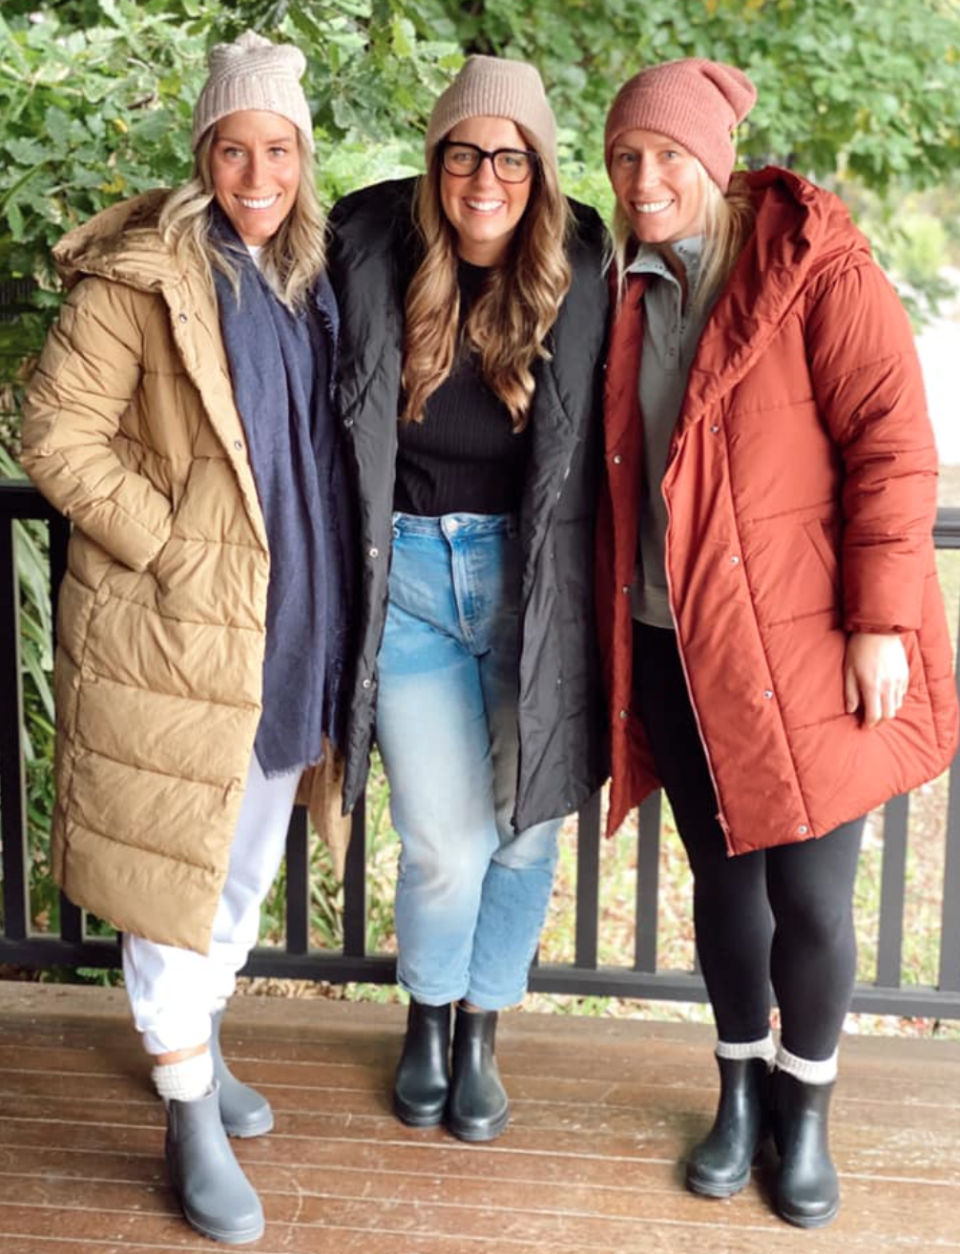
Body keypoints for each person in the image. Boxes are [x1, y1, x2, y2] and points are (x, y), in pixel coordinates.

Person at [596, 57, 958, 1227]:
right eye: (625, 158)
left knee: (811, 896)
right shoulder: (624, 285)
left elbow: (894, 447)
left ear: (714, 159)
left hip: (802, 646)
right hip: (670, 640)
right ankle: (739, 1093)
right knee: (725, 886)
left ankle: (805, 1115)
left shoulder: (817, 270)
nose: (646, 179)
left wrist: (880, 619)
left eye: (667, 157)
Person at [20, 31, 353, 1245]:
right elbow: (54, 429)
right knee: (176, 877)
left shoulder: (306, 277)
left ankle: (195, 1054)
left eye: (278, 149)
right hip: (176, 632)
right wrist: (162, 543)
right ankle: (184, 1111)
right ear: (202, 152)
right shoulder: (144, 278)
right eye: (233, 148)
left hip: (290, 625)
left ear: (303, 160)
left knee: (244, 865)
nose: (256, 172)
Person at [328, 55, 608, 1143]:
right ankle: (428, 1017)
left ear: (538, 170)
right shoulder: (366, 251)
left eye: (510, 157)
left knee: (527, 830)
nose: (484, 179)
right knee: (443, 839)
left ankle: (484, 1029)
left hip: (533, 582)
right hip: (403, 578)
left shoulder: (585, 264)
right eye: (463, 153)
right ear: (434, 161)